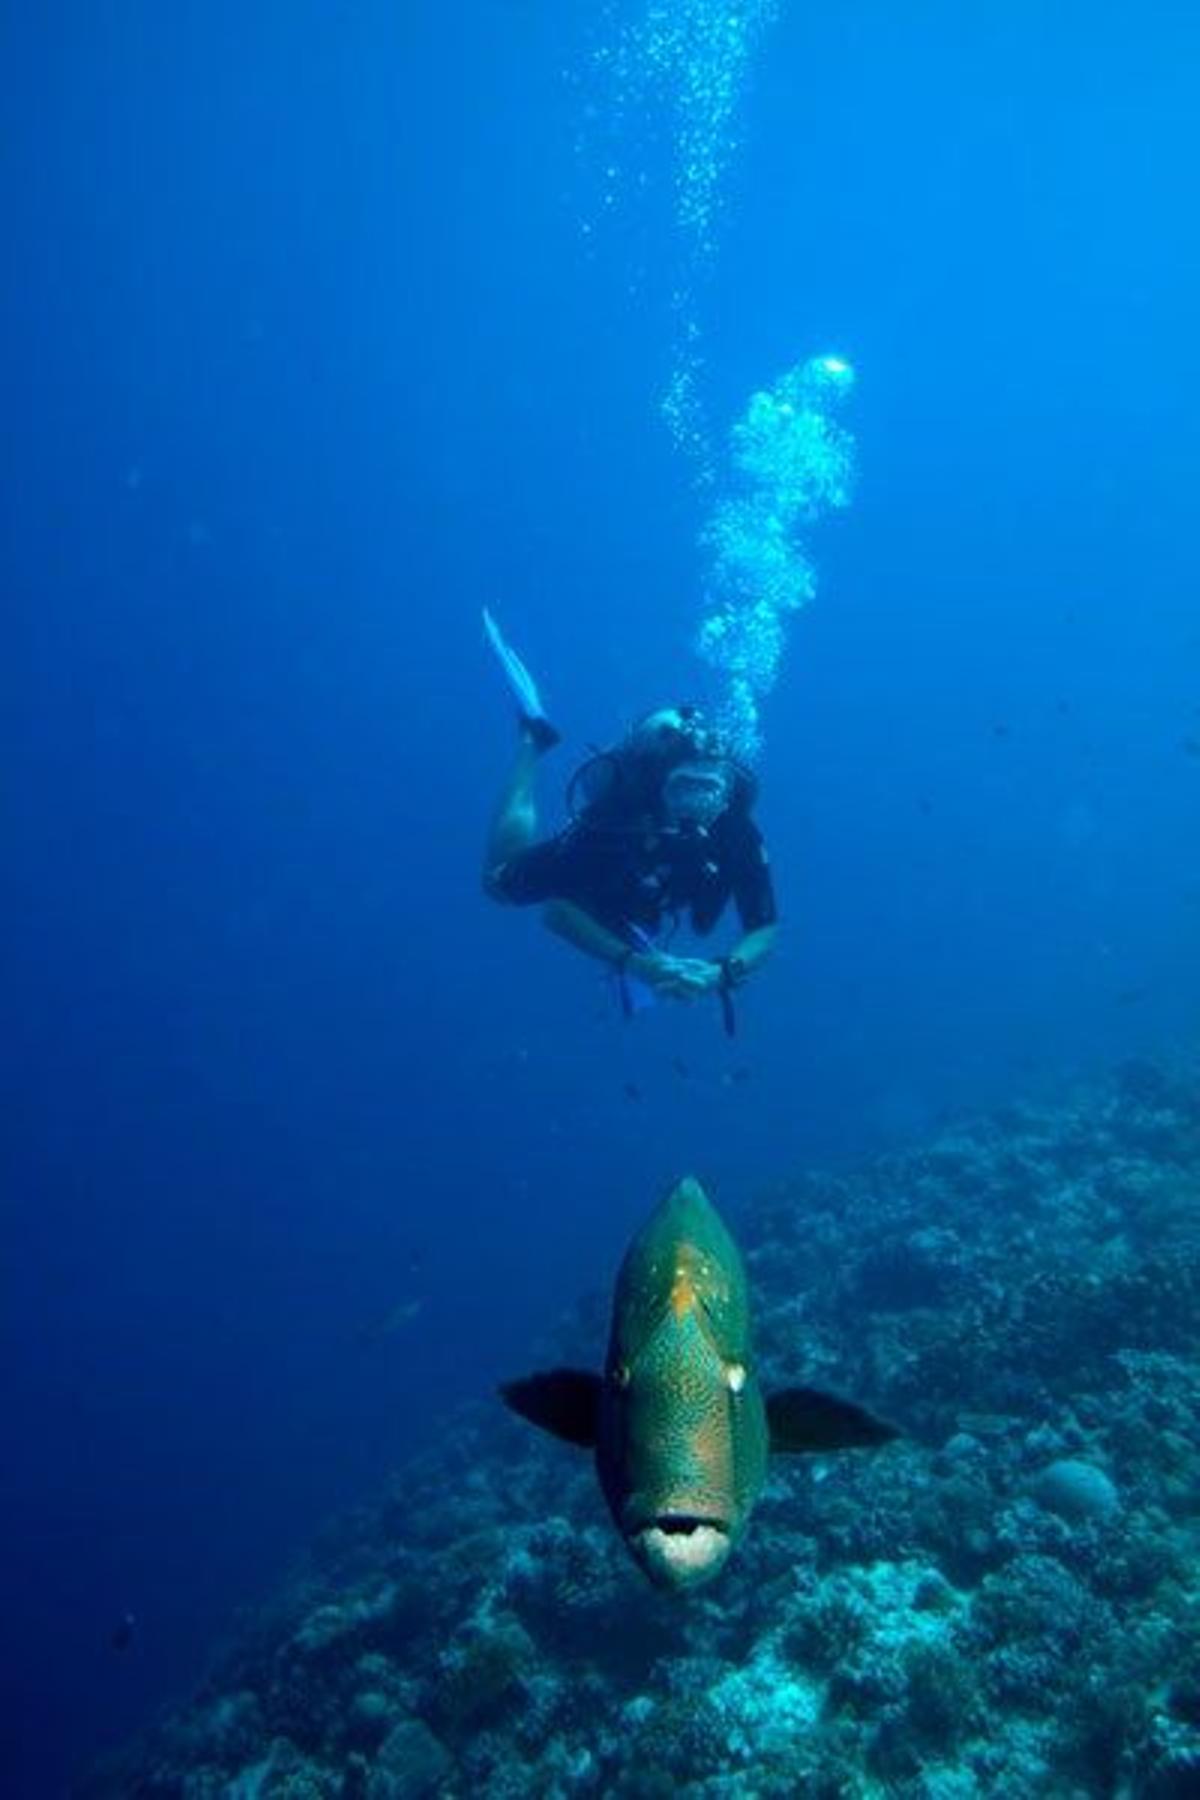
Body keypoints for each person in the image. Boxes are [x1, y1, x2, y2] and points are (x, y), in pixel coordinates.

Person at [481, 617, 777, 1026]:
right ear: (659, 784)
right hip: (615, 867)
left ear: (726, 790)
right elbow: (557, 911)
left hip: (649, 897)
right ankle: (534, 740)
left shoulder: (735, 827)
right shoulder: (618, 820)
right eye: (684, 788)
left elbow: (763, 927)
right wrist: (634, 964)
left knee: (638, 911)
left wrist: (722, 973)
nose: (696, 805)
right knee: (498, 883)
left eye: (708, 791)